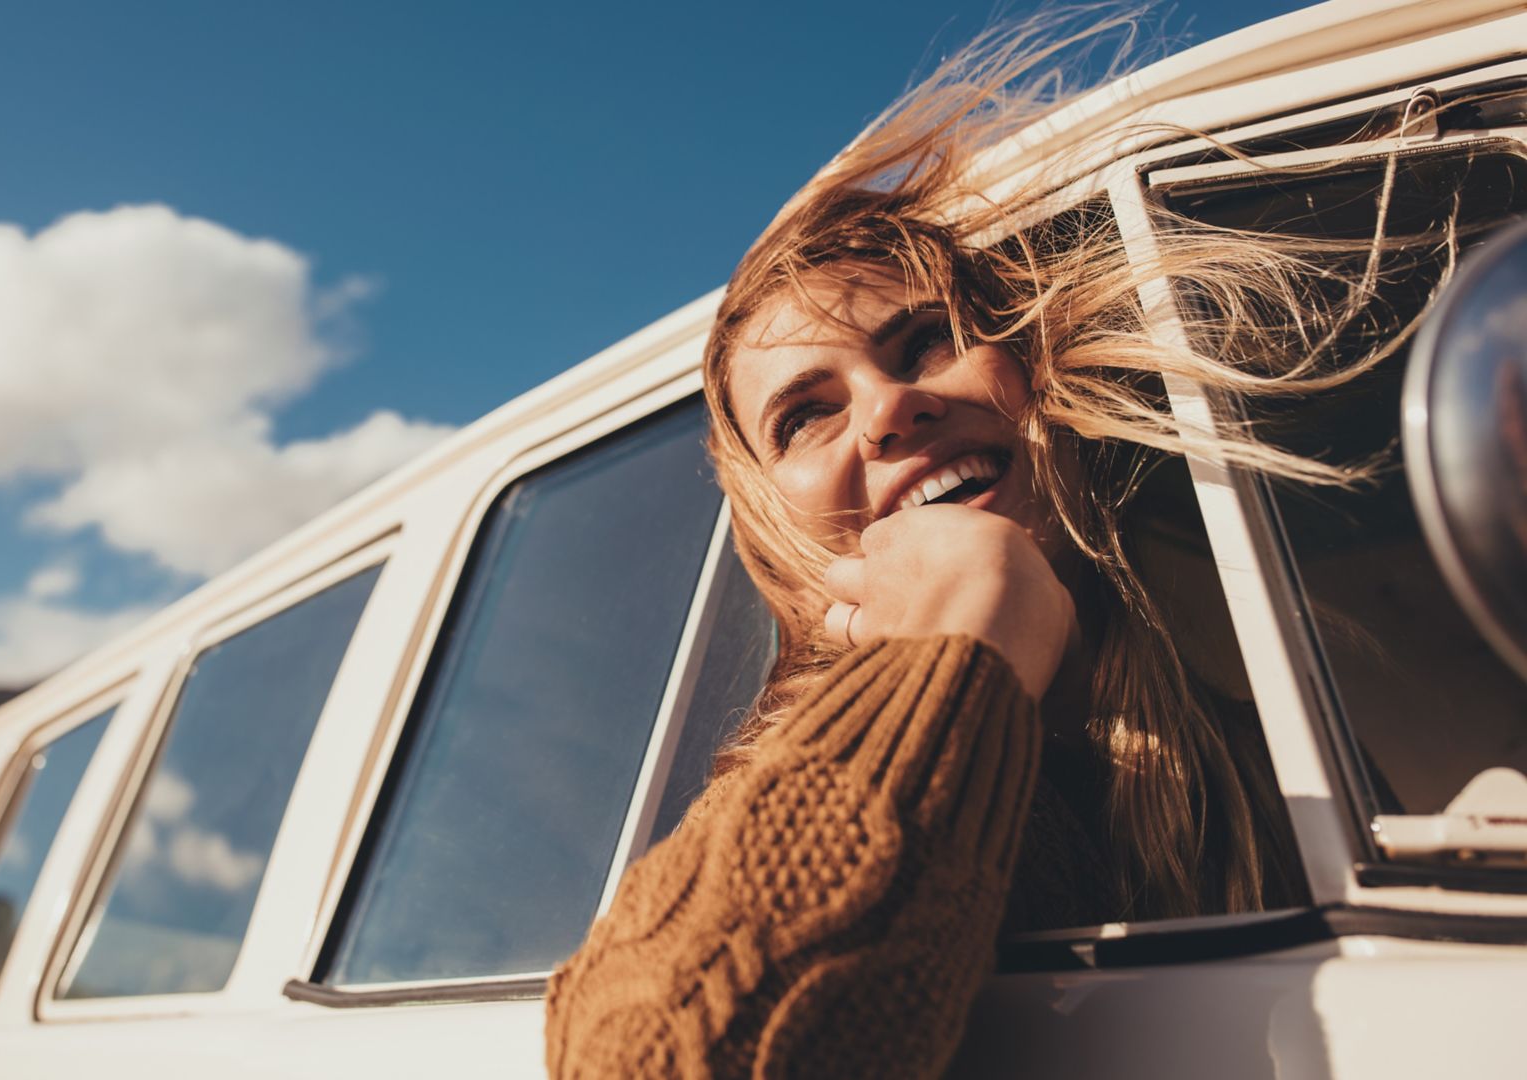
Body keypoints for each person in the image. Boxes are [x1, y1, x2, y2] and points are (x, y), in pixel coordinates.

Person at [544, 8, 1398, 1078]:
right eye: (805, 415)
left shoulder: (1272, 756)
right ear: (778, 529)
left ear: (1029, 380)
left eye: (925, 342)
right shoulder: (764, 799)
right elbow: (667, 1058)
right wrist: (958, 657)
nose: (889, 411)